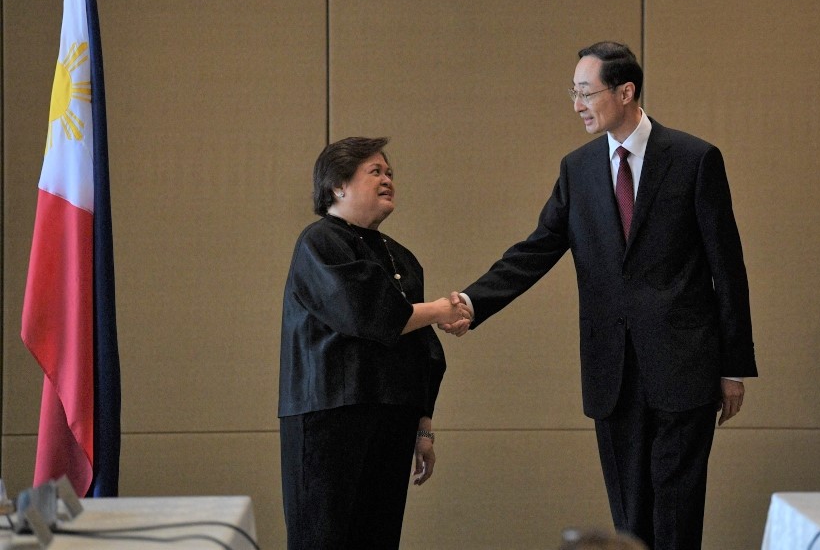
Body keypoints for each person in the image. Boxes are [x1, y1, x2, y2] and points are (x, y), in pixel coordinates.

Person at [446, 42, 757, 550]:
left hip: (686, 368)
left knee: (677, 516)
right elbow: (537, 249)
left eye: (585, 92)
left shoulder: (695, 159)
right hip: (612, 372)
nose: (577, 105)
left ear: (625, 91)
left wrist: (733, 365)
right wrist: (475, 301)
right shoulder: (578, 168)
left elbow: (729, 268)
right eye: (575, 93)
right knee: (629, 518)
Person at [278, 136, 469, 550]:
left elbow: (423, 351)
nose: (388, 180)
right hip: (330, 416)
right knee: (324, 539)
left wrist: (424, 427)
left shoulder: (402, 257)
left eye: (390, 173)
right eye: (375, 172)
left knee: (378, 538)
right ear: (338, 186)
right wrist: (439, 310)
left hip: (392, 416)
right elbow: (369, 315)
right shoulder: (320, 242)